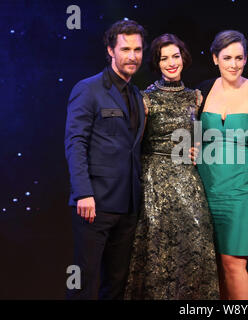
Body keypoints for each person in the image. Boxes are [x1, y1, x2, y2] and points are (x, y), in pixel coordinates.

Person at [124, 34, 219, 300]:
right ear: (156, 63)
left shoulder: (197, 98)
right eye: (164, 58)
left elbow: (205, 140)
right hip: (154, 182)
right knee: (157, 252)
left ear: (184, 58)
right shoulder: (145, 99)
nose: (170, 63)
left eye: (175, 56)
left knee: (195, 248)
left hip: (188, 182)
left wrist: (199, 149)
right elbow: (133, 146)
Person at [64, 19, 146, 299]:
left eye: (137, 49)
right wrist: (83, 192)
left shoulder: (137, 94)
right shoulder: (88, 89)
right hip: (94, 203)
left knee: (116, 283)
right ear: (111, 50)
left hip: (128, 205)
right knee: (83, 281)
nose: (132, 56)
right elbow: (75, 143)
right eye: (125, 49)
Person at [195, 30, 248, 300]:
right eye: (227, 57)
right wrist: (192, 148)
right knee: (213, 264)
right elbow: (192, 135)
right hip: (207, 189)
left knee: (234, 263)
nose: (234, 64)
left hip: (245, 190)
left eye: (239, 57)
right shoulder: (203, 90)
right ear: (215, 59)